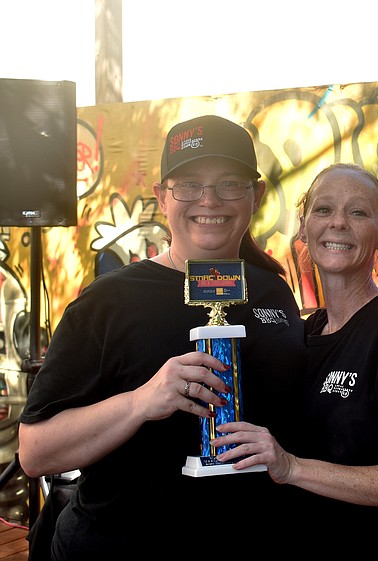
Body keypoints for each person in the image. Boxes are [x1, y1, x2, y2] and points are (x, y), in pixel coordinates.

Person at [17, 114, 307, 560]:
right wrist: (141, 401)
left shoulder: (273, 291)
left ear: (257, 196)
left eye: (230, 183)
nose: (209, 200)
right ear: (162, 198)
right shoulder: (108, 302)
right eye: (189, 185)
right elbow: (35, 453)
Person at [211, 163, 378, 560]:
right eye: (323, 210)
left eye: (358, 212)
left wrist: (291, 468)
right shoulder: (305, 332)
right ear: (303, 229)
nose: (338, 223)